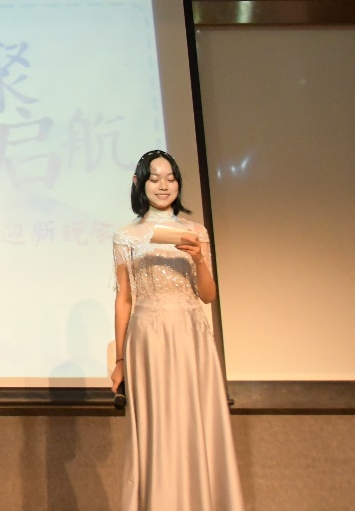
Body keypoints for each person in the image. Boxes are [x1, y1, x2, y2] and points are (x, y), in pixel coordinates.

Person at [111, 149, 244, 511]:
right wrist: (120, 360)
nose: (163, 185)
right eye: (155, 178)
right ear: (140, 183)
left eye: (170, 178)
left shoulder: (195, 231)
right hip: (148, 337)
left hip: (190, 335)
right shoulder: (125, 235)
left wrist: (198, 258)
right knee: (158, 426)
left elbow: (208, 295)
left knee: (194, 421)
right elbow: (124, 299)